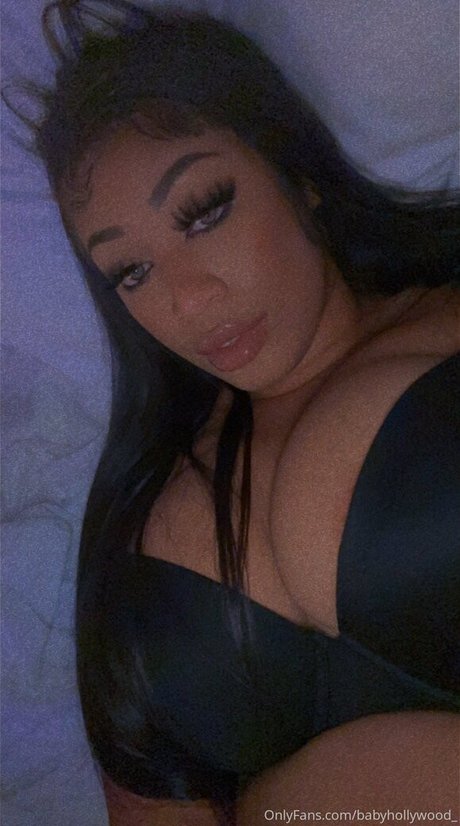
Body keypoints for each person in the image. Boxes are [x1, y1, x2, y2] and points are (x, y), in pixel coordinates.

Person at [16, 0, 460, 823]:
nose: (189, 299)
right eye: (131, 273)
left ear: (299, 175)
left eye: (205, 211)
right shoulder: (136, 515)